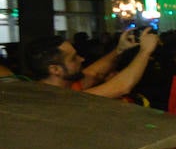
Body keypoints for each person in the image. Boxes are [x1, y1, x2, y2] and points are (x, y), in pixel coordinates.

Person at [28, 28, 159, 99]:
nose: (81, 59)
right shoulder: (56, 99)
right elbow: (122, 86)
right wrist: (145, 51)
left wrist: (120, 49)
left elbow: (94, 73)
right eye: (74, 58)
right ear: (55, 70)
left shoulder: (64, 84)